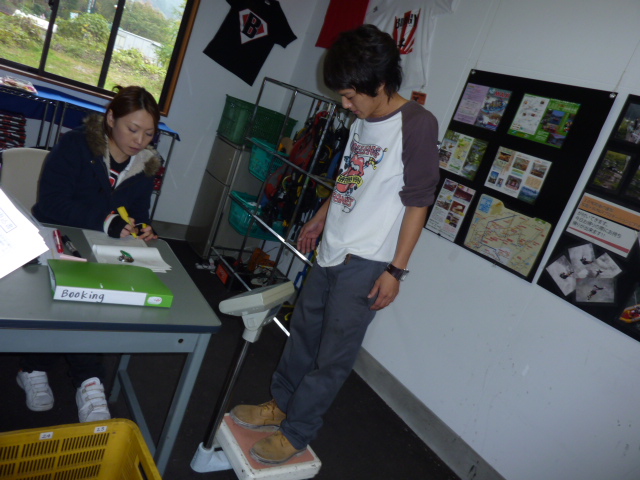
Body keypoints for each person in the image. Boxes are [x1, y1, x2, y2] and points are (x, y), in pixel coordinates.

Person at [229, 24, 440, 465]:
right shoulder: (363, 119)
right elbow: (350, 178)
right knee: (302, 336)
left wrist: (396, 271)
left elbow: (419, 202)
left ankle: (297, 431)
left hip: (368, 260)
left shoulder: (417, 124)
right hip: (332, 248)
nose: (345, 105)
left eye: (349, 95)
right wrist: (322, 217)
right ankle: (282, 404)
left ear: (378, 83)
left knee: (332, 356)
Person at [18, 86, 162, 423]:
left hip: (101, 248)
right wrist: (107, 221)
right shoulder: (76, 145)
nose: (140, 140)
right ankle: (71, 375)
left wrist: (143, 227)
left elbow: (137, 213)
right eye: (133, 129)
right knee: (78, 297)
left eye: (149, 133)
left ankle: (56, 370)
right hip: (56, 237)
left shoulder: (145, 165)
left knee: (97, 300)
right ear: (111, 119)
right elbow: (51, 204)